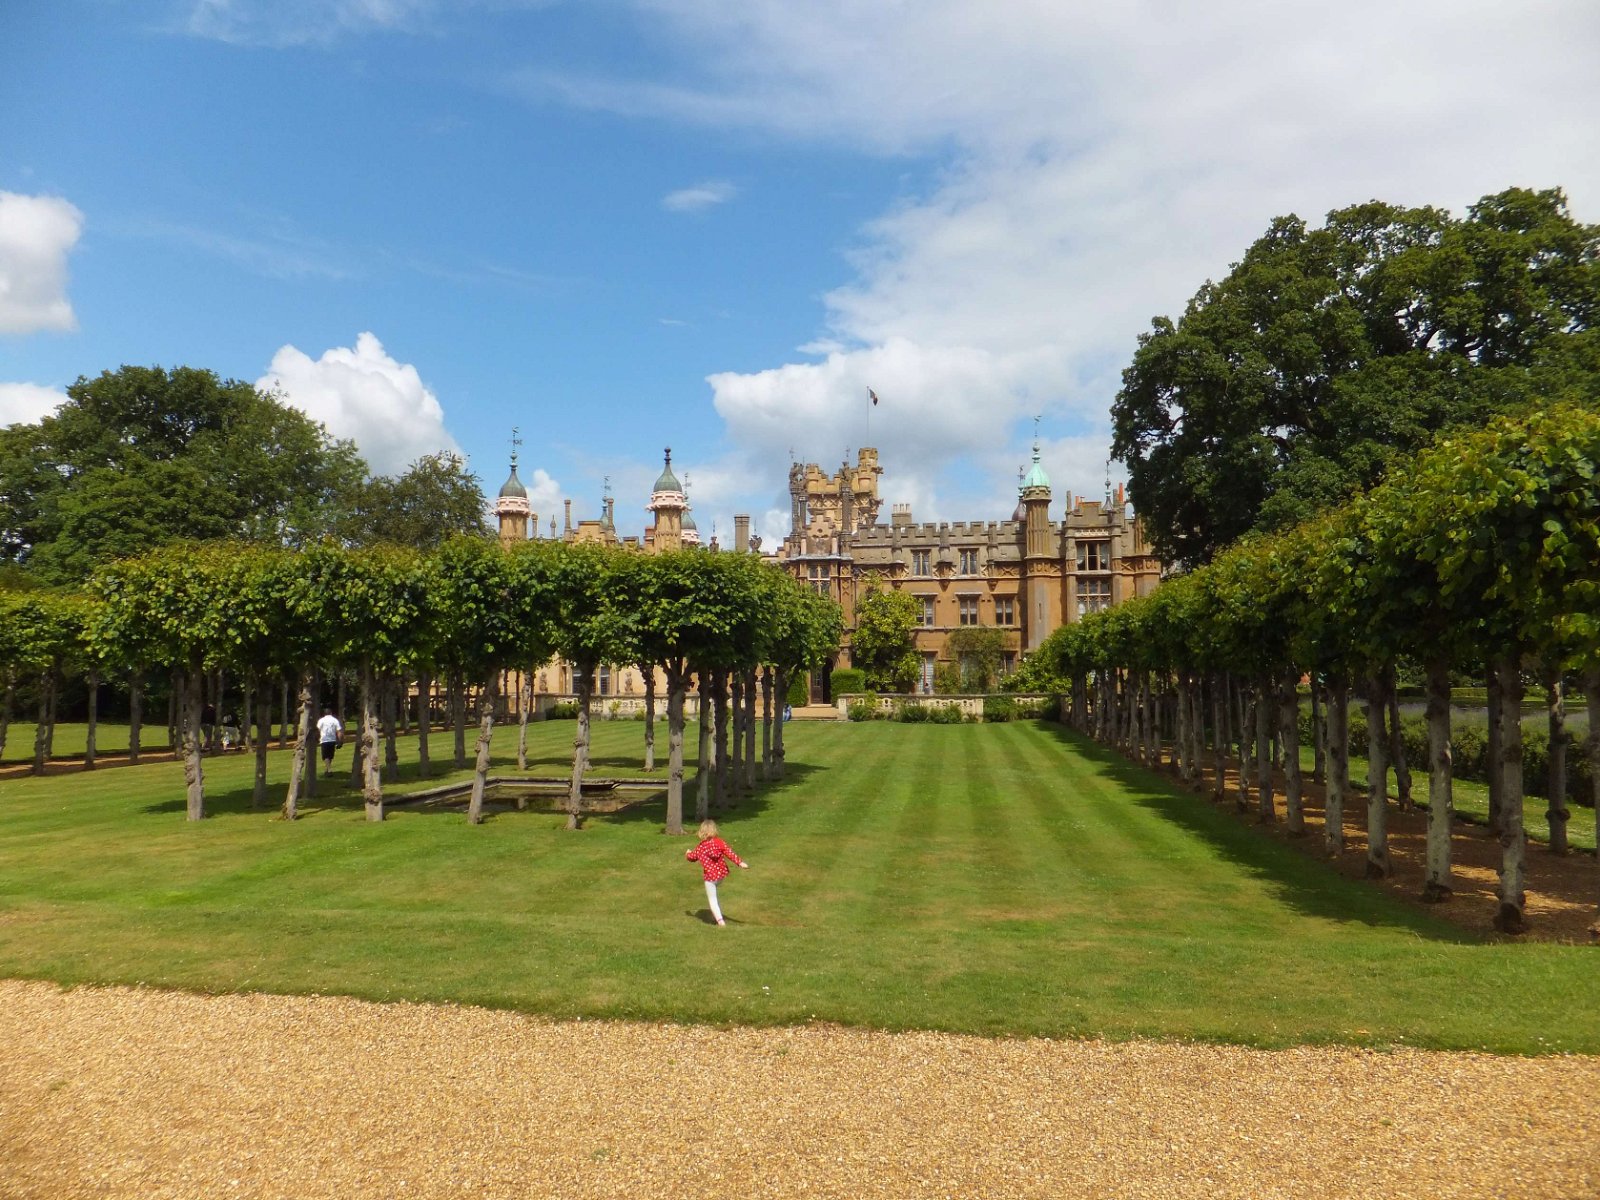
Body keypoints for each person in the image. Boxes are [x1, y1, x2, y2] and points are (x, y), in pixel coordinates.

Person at [685, 819, 748, 926]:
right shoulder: (719, 842)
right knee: (715, 891)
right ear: (714, 830)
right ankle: (720, 919)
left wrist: (687, 853)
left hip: (710, 878)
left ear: (702, 831)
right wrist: (740, 863)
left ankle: (720, 921)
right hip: (720, 876)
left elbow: (692, 857)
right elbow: (729, 852)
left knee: (712, 899)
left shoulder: (701, 847)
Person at [315, 707, 343, 777]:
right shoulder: (335, 720)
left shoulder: (321, 720)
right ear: (331, 713)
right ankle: (327, 770)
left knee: (325, 756)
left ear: (324, 713)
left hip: (324, 740)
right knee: (330, 756)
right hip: (332, 740)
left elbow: (317, 730)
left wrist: (317, 738)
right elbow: (339, 731)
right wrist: (340, 740)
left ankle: (329, 770)